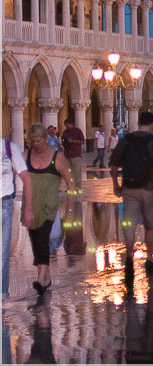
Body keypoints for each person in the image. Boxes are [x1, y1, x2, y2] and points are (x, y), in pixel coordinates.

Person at [109, 111, 153, 278]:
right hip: (149, 188)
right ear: (152, 125)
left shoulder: (126, 140)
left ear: (139, 122)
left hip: (129, 188)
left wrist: (115, 184)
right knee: (149, 224)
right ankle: (148, 258)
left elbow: (113, 166)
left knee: (129, 223)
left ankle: (128, 256)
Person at [23, 124, 76, 295]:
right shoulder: (26, 155)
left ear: (46, 139)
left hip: (49, 206)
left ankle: (40, 279)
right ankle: (45, 278)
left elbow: (70, 183)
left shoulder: (57, 157)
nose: (35, 144)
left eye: (38, 140)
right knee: (35, 240)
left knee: (43, 238)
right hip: (30, 206)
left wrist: (69, 209)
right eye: (32, 141)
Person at [2, 137, 32, 299]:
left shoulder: (8, 147)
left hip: (4, 204)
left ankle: (2, 292)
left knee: (3, 252)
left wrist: (27, 208)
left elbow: (25, 177)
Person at [61, 118, 84, 194]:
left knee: (77, 172)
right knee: (69, 173)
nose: (67, 127)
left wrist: (73, 141)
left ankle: (78, 188)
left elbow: (83, 141)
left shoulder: (77, 131)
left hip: (76, 154)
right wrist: (64, 141)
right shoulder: (65, 132)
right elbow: (63, 140)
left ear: (71, 124)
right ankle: (70, 187)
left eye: (68, 125)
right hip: (67, 154)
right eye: (66, 126)